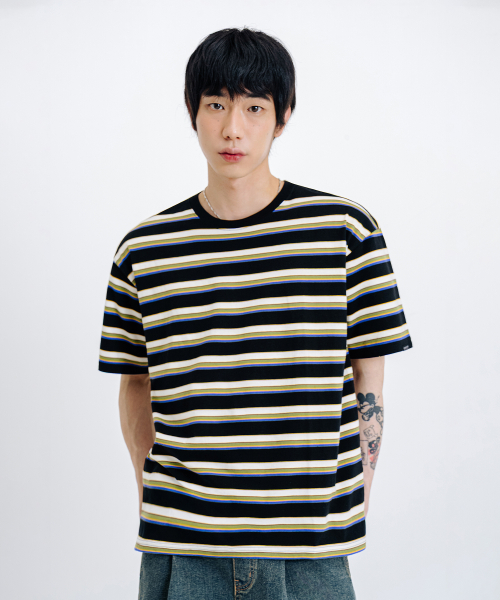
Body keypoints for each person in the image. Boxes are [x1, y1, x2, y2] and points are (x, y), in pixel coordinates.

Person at [98, 27, 412, 600]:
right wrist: (152, 492)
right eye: (216, 104)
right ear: (192, 111)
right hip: (183, 545)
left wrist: (361, 483)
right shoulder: (144, 250)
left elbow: (370, 372)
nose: (232, 128)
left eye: (254, 107)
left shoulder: (345, 232)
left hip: (310, 548)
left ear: (283, 115)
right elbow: (135, 381)